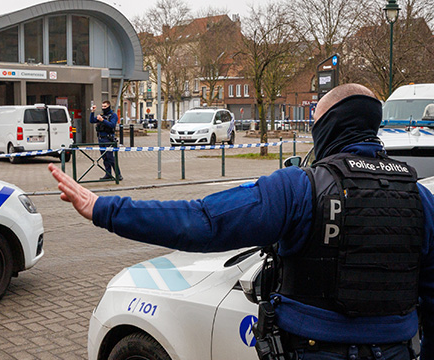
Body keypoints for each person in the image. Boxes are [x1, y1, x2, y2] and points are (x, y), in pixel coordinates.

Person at [50, 84, 434, 360]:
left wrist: (104, 209)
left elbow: (202, 221)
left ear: (328, 128)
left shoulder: (300, 188)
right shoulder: (420, 199)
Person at [90, 100, 122, 181]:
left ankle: (118, 175)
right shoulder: (101, 115)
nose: (103, 108)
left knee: (110, 157)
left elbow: (112, 125)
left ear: (109, 106)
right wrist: (92, 112)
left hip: (108, 139)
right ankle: (108, 174)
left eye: (105, 106)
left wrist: (102, 120)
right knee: (104, 158)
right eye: (102, 106)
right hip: (101, 139)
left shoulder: (113, 115)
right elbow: (91, 121)